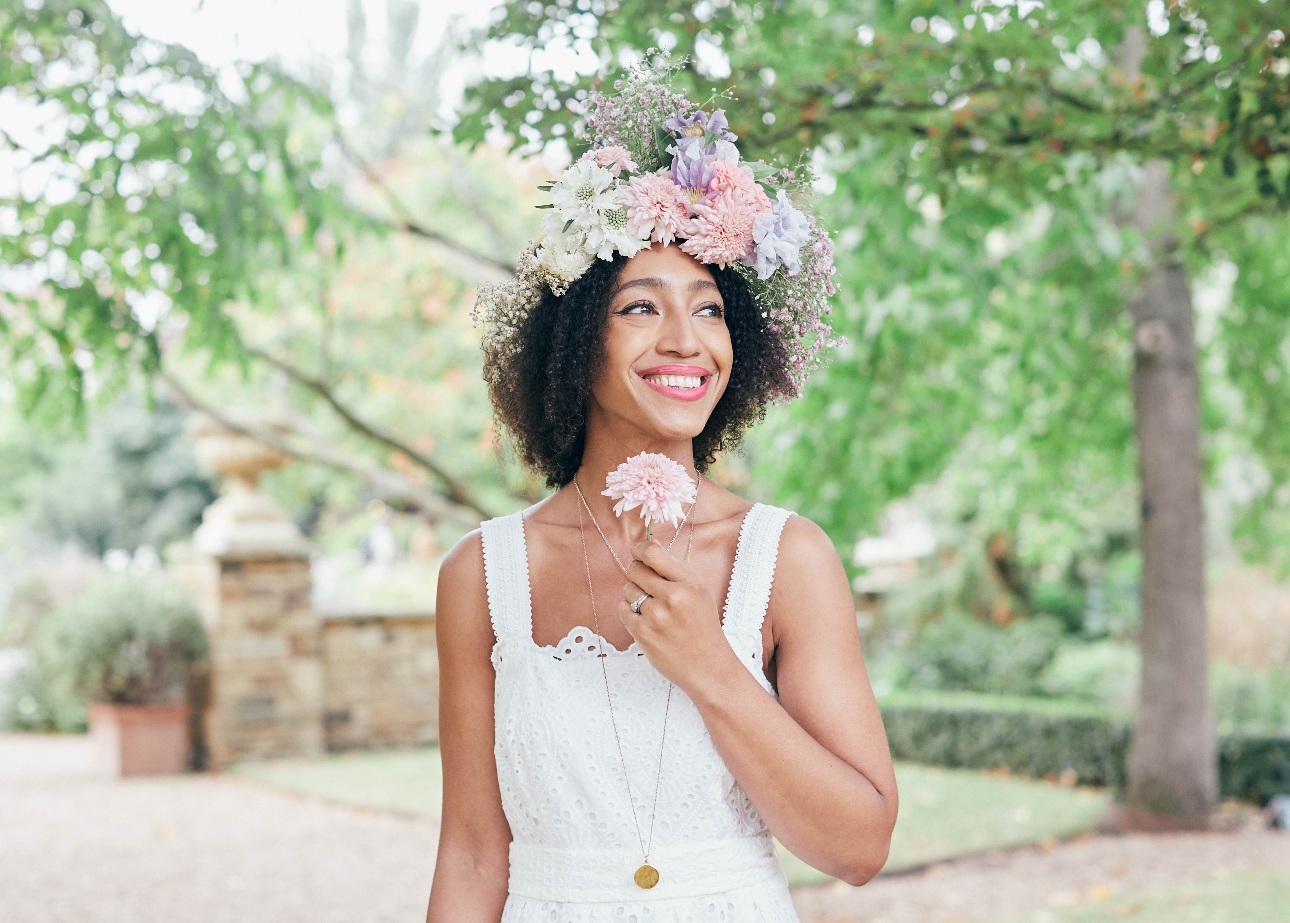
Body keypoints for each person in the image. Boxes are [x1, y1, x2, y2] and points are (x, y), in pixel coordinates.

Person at [426, 64, 897, 923]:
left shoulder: (787, 558)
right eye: (641, 308)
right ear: (575, 342)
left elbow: (859, 846)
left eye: (710, 310)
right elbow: (469, 849)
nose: (686, 341)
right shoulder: (481, 575)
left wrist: (713, 668)